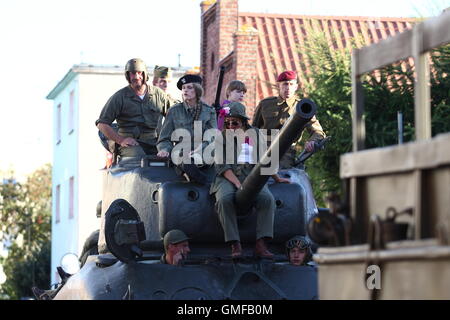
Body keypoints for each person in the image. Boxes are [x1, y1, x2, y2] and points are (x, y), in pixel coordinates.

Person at [210, 102, 291, 258]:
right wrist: (238, 184)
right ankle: (235, 243)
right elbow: (222, 167)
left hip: (252, 175)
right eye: (227, 122)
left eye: (235, 122)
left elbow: (265, 158)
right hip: (227, 177)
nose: (231, 125)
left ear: (243, 121)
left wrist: (276, 177)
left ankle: (261, 244)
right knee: (224, 200)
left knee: (267, 199)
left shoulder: (254, 133)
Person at [96, 58, 173, 158]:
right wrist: (121, 140)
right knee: (139, 158)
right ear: (128, 75)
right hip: (130, 143)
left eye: (139, 73)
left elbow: (174, 115)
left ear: (145, 74)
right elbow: (102, 124)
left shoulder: (158, 95)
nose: (137, 77)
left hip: (154, 142)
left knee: (171, 157)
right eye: (132, 73)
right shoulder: (120, 97)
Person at [252, 70, 326, 168]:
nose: (288, 88)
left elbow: (318, 131)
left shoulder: (302, 108)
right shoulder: (265, 104)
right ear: (279, 86)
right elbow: (253, 129)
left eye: (291, 84)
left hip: (285, 152)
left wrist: (312, 141)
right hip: (262, 149)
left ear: (296, 87)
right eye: (285, 84)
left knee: (284, 176)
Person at [156, 74, 217, 184]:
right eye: (183, 88)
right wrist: (164, 149)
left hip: (203, 153)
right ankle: (203, 181)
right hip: (182, 155)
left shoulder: (209, 111)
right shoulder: (174, 111)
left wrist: (199, 150)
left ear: (197, 90)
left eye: (189, 88)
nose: (185, 91)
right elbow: (164, 138)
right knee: (184, 159)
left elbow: (212, 137)